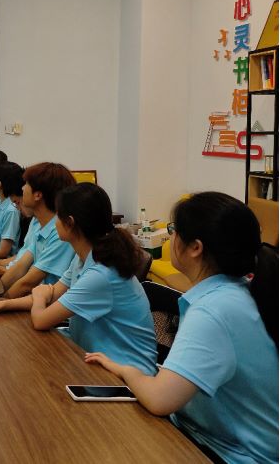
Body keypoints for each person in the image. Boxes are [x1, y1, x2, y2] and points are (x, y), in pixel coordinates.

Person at [85, 192, 278, 463]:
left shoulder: (214, 310)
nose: (171, 237)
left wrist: (128, 371)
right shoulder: (236, 292)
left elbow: (160, 400)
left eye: (174, 230)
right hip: (203, 436)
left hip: (225, 453)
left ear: (195, 247)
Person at [0, 183, 157, 375]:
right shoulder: (84, 256)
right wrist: (0, 305)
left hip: (124, 377)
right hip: (94, 358)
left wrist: (40, 296)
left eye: (58, 215)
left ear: (70, 222)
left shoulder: (101, 274)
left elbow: (41, 319)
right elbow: (54, 294)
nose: (54, 221)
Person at [0, 162, 76, 298]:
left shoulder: (61, 232)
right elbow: (20, 267)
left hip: (50, 304)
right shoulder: (40, 224)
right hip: (37, 298)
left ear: (38, 195)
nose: (22, 188)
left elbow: (27, 283)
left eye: (26, 184)